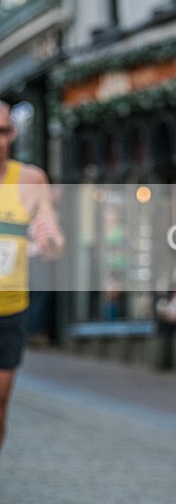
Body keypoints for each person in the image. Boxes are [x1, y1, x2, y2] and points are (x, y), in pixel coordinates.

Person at [0, 100, 64, 451]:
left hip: (9, 308)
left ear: (13, 134)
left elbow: (54, 245)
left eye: (3, 132)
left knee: (0, 404)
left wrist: (48, 241)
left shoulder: (30, 180)